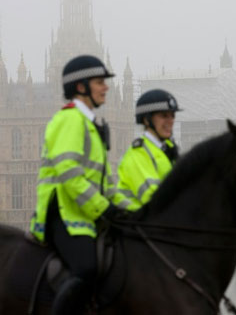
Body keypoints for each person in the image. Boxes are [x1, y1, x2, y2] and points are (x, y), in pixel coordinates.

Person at [29, 55, 131, 315]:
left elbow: (107, 183)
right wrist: (104, 209)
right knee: (86, 269)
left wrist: (134, 213)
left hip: (84, 214)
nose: (105, 87)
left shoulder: (91, 126)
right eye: (99, 82)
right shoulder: (70, 119)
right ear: (81, 87)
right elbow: (70, 174)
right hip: (61, 213)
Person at [117, 89, 181, 209]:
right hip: (138, 224)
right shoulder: (137, 154)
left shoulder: (169, 150)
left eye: (172, 116)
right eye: (164, 116)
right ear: (147, 120)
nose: (171, 121)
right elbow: (155, 201)